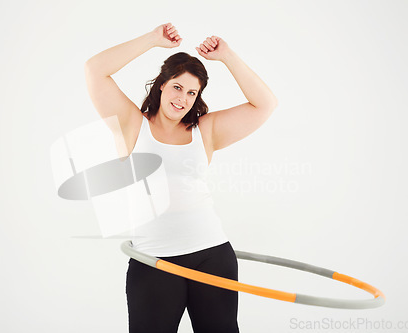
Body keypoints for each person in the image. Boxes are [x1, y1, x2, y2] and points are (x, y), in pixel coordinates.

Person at [84, 22, 278, 333]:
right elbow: (95, 70)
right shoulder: (132, 125)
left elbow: (265, 104)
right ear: (161, 84)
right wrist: (151, 39)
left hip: (212, 255)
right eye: (177, 87)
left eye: (192, 92)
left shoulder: (207, 130)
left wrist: (227, 56)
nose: (183, 99)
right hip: (153, 261)